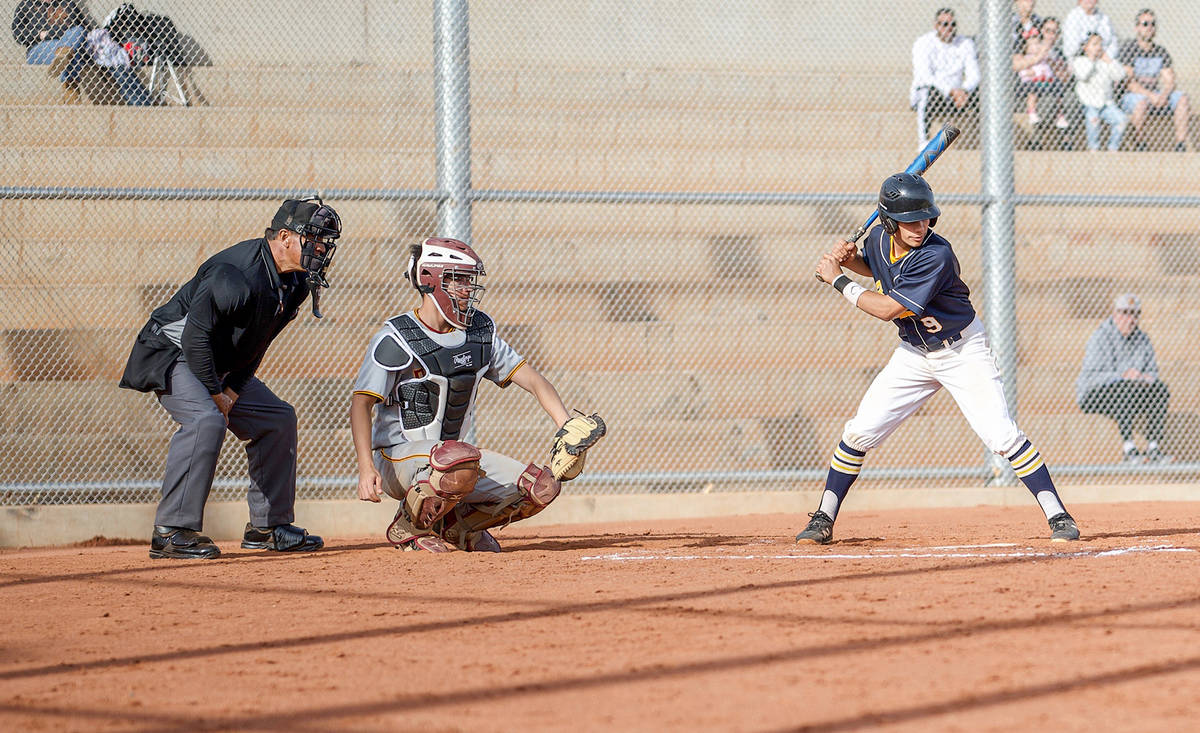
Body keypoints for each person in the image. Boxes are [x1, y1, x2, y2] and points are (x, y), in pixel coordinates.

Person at [797, 173, 1080, 545]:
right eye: (910, 220)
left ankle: (1059, 515)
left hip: (962, 351)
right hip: (915, 354)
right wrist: (853, 263)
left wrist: (838, 280)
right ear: (888, 222)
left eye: (925, 218)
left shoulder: (936, 254)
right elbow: (881, 268)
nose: (920, 226)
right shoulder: (880, 239)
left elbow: (888, 308)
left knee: (1001, 435)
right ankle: (824, 518)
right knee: (858, 432)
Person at [119, 198, 342, 559]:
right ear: (285, 236)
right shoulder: (235, 273)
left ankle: (268, 528)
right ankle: (171, 531)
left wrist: (234, 390)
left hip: (217, 361)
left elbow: (258, 343)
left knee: (277, 418)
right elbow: (194, 338)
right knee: (205, 420)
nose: (321, 249)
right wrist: (215, 394)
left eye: (325, 242)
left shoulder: (295, 283)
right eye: (314, 239)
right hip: (172, 353)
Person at [350, 238, 602, 553]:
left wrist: (566, 424)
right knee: (458, 459)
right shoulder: (396, 337)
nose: (468, 288)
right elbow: (361, 404)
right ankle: (410, 527)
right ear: (430, 279)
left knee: (541, 487)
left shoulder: (479, 333)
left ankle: (457, 526)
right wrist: (365, 467)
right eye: (458, 278)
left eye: (470, 280)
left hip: (454, 461)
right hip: (397, 459)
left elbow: (534, 380)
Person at [1076, 294, 1172, 464]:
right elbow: (1092, 375)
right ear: (1115, 314)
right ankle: (1129, 448)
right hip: (1094, 395)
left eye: (1135, 314)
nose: (1131, 319)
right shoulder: (1100, 337)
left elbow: (1153, 372)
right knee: (1124, 388)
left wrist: (1144, 378)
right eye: (1125, 313)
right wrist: (1122, 375)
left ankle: (1153, 448)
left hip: (1133, 392)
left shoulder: (1143, 339)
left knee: (1161, 389)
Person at [11, 0, 151, 105]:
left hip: (72, 49)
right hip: (39, 49)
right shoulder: (27, 5)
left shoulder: (67, 4)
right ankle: (65, 59)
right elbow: (18, 34)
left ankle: (142, 102)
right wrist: (41, 35)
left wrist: (47, 33)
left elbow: (84, 31)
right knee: (73, 40)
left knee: (88, 43)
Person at [1119, 9, 1191, 152]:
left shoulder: (1160, 51)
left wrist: (1164, 95)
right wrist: (1151, 95)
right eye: (1145, 24)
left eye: (1153, 24)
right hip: (1133, 96)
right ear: (1137, 28)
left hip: (1157, 95)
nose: (1149, 27)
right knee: (1141, 102)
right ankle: (1140, 144)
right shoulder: (1129, 49)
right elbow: (1129, 83)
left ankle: (1180, 145)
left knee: (1182, 98)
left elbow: (1169, 80)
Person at [910, 7, 979, 149]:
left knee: (984, 93)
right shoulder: (923, 43)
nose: (948, 28)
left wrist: (964, 90)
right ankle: (923, 141)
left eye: (952, 24)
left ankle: (985, 140)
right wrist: (951, 90)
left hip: (959, 96)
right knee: (925, 91)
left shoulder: (965, 44)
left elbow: (975, 75)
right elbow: (925, 76)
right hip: (935, 93)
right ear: (936, 26)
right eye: (944, 24)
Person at [1071, 32, 1128, 152]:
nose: (1098, 47)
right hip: (1088, 104)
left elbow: (1120, 75)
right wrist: (1092, 60)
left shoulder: (1105, 63)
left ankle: (1113, 147)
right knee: (1093, 119)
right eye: (1094, 44)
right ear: (1085, 47)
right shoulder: (1080, 61)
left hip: (1106, 104)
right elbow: (1083, 75)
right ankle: (1094, 147)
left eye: (1100, 44)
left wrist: (1109, 61)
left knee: (1122, 120)